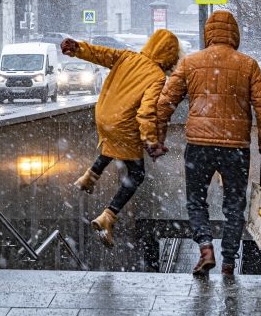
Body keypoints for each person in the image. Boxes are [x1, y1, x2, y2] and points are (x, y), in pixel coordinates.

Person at [157, 10, 261, 276]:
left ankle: (206, 247)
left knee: (196, 201)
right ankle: (229, 261)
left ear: (208, 34)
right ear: (235, 35)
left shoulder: (190, 63)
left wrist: (157, 136)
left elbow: (165, 102)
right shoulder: (248, 65)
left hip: (198, 144)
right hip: (236, 147)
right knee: (234, 205)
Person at [61, 29, 180, 248]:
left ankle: (89, 177)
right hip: (124, 123)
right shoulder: (156, 76)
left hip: (103, 115)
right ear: (170, 56)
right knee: (137, 173)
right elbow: (145, 113)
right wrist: (151, 141)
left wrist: (77, 48)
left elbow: (101, 54)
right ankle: (108, 217)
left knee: (112, 145)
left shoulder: (127, 57)